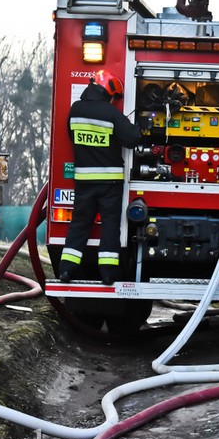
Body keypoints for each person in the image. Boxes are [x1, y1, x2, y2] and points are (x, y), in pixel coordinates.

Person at [58, 70, 140, 285]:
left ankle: (66, 270)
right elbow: (132, 139)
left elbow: (72, 136)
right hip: (110, 182)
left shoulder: (75, 110)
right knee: (110, 225)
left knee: (79, 224)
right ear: (108, 92)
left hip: (84, 180)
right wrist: (139, 125)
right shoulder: (111, 113)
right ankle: (108, 273)